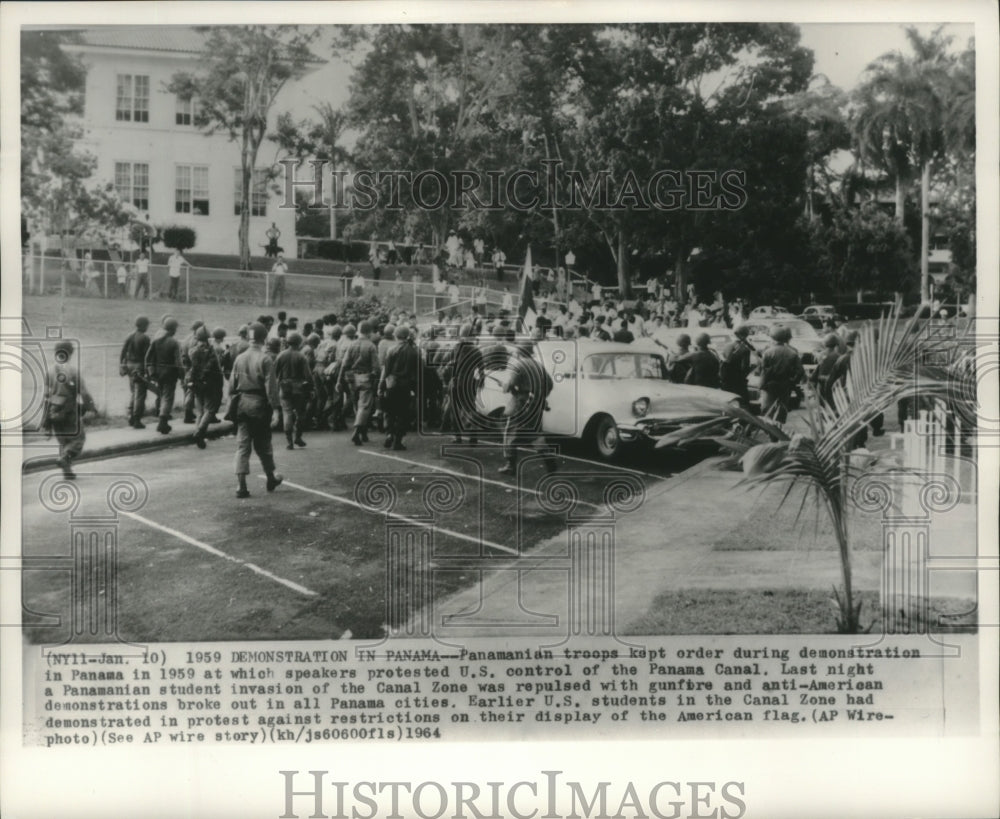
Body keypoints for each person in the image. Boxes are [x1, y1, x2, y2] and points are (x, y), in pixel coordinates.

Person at [230, 323, 283, 498]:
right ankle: (270, 477)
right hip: (260, 405)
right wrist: (276, 409)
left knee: (242, 446)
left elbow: (232, 386)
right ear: (264, 338)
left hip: (243, 404)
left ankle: (241, 486)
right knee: (264, 444)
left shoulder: (240, 358)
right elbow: (271, 388)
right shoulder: (265, 359)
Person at [499, 340, 557, 475]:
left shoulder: (519, 365)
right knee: (536, 434)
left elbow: (510, 385)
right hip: (536, 404)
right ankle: (550, 462)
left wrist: (505, 386)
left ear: (520, 352)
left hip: (520, 403)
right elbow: (550, 384)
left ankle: (510, 465)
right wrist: (542, 396)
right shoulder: (539, 366)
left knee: (510, 433)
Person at [43, 340, 96, 479]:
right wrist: (91, 407)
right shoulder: (73, 371)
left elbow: (46, 396)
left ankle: (67, 472)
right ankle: (65, 459)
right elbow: (83, 392)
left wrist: (46, 420)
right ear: (70, 354)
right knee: (78, 440)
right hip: (69, 411)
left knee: (63, 442)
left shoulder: (49, 371)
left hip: (53, 411)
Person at [337, 320, 379, 446]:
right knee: (364, 406)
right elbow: (376, 367)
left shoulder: (352, 344)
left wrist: (339, 381)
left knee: (357, 405)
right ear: (369, 332)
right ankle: (357, 431)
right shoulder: (371, 346)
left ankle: (363, 433)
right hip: (365, 377)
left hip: (351, 377)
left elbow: (344, 365)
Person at [379, 326, 420, 450]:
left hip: (391, 383)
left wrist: (381, 386)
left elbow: (386, 370)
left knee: (389, 411)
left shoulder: (391, 349)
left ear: (396, 336)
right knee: (403, 413)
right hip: (406, 385)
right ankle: (398, 440)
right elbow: (417, 373)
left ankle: (389, 434)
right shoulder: (414, 351)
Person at [274, 332, 313, 450]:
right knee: (301, 414)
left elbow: (274, 373)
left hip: (284, 387)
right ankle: (298, 437)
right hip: (299, 388)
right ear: (299, 342)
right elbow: (308, 375)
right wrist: (312, 387)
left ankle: (289, 441)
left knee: (287, 413)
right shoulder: (301, 356)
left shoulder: (281, 355)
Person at [145, 317, 183, 434]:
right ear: (172, 329)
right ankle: (163, 422)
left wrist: (150, 373)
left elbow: (148, 358)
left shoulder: (156, 340)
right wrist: (182, 375)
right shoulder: (174, 342)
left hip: (158, 373)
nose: (176, 330)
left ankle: (161, 418)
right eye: (175, 328)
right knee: (168, 397)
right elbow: (178, 362)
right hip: (170, 374)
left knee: (161, 396)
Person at [759, 326, 804, 423]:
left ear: (773, 338)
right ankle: (779, 429)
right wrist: (793, 381)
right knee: (782, 409)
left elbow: (763, 371)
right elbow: (800, 371)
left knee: (767, 409)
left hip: (770, 385)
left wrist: (761, 385)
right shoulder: (792, 353)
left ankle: (771, 433)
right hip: (785, 384)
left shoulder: (767, 352)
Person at [188, 326, 223, 449]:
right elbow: (217, 369)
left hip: (196, 384)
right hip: (210, 384)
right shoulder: (211, 351)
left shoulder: (192, 351)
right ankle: (199, 432)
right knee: (210, 410)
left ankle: (199, 435)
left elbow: (190, 367)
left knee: (199, 411)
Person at [119, 315, 152, 428]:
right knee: (140, 394)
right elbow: (147, 356)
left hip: (129, 365)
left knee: (134, 392)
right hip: (139, 366)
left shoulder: (129, 336)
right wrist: (148, 371)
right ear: (143, 326)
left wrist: (122, 365)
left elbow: (122, 352)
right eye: (147, 325)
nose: (147, 327)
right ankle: (137, 419)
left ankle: (130, 415)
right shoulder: (145, 338)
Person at [719, 325, 754, 405]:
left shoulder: (726, 346)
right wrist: (751, 368)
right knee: (743, 404)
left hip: (726, 382)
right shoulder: (745, 349)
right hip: (738, 383)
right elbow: (744, 369)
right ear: (746, 335)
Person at [810, 333, 843, 408]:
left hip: (821, 386)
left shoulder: (820, 356)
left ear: (825, 344)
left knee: (822, 409)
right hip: (834, 386)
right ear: (836, 344)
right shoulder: (839, 357)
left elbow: (815, 375)